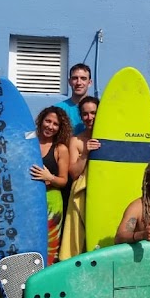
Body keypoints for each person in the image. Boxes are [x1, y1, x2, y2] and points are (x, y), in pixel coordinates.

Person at [60, 96, 100, 260]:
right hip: (82, 195)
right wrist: (85, 153)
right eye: (85, 114)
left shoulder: (113, 137)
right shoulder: (76, 141)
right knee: (79, 243)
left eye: (93, 113)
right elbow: (74, 173)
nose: (89, 118)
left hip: (104, 194)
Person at [32, 106, 71, 265]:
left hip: (52, 201)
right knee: (31, 240)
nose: (50, 126)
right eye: (48, 121)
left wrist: (49, 177)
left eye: (55, 124)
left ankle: (47, 283)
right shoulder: (29, 142)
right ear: (41, 120)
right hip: (29, 200)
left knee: (51, 245)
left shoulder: (60, 149)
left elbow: (63, 180)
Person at [55, 63, 92, 135]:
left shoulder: (98, 108)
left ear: (89, 82)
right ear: (69, 82)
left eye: (83, 78)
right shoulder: (58, 109)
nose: (79, 82)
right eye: (75, 78)